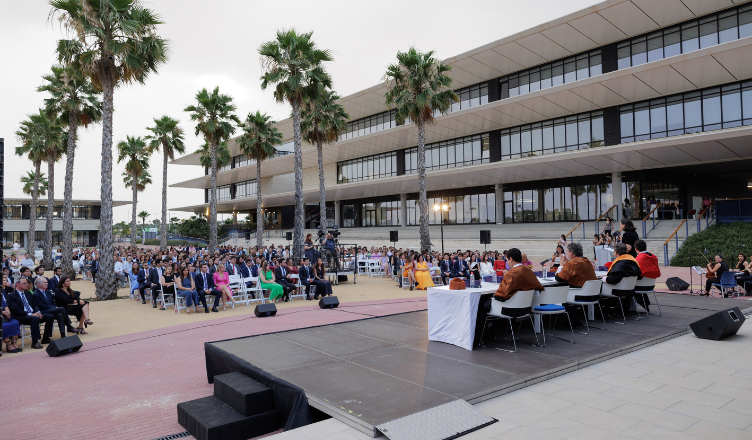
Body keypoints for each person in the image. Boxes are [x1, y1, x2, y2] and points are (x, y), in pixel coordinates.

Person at [7, 277, 54, 349]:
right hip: (20, 316)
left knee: (50, 316)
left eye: (27, 283)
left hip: (32, 314)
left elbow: (34, 304)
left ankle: (46, 338)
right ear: (18, 284)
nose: (27, 284)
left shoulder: (28, 293)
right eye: (24, 283)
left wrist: (38, 312)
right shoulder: (11, 295)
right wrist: (31, 314)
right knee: (34, 319)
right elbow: (15, 310)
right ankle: (35, 342)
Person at [601, 243, 642, 315]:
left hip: (618, 290)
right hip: (630, 290)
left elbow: (612, 280)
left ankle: (600, 311)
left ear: (616, 252)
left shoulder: (620, 263)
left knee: (598, 285)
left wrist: (604, 278)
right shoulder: (633, 261)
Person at [2, 281, 22, 353]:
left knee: (15, 322)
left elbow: (5, 305)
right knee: (4, 326)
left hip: (5, 317)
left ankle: (14, 343)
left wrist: (8, 311)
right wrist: (2, 312)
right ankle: (8, 344)